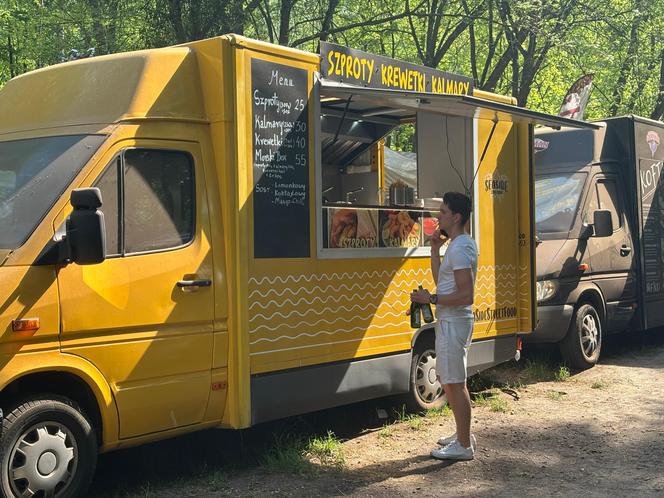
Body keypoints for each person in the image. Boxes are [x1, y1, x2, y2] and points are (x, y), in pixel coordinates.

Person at [410, 191, 477, 461]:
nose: (439, 216)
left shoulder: (461, 247)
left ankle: (463, 445)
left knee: (454, 383)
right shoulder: (456, 246)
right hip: (449, 321)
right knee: (449, 382)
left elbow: (466, 295)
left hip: (455, 321)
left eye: (444, 212)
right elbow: (442, 281)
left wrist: (432, 299)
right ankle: (463, 434)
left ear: (456, 216)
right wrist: (436, 250)